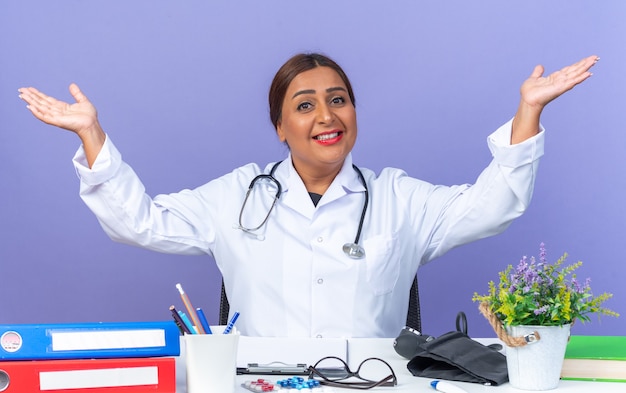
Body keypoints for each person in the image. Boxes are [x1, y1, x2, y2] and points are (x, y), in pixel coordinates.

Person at [18, 53, 598, 338]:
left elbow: (494, 205)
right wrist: (92, 135)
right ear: (280, 127)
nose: (326, 115)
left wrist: (529, 112)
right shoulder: (236, 196)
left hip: (375, 383)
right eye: (305, 104)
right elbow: (137, 222)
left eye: (338, 99)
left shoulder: (399, 197)